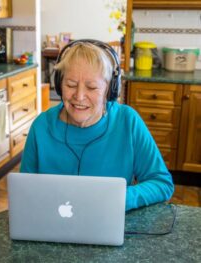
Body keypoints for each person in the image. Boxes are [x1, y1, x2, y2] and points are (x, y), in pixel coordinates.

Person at [20, 39, 174, 211]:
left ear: (109, 90)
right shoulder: (41, 126)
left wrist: (119, 198)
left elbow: (162, 183)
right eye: (71, 85)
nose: (79, 97)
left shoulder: (127, 121)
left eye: (92, 88)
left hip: (110, 227)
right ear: (59, 85)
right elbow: (24, 191)